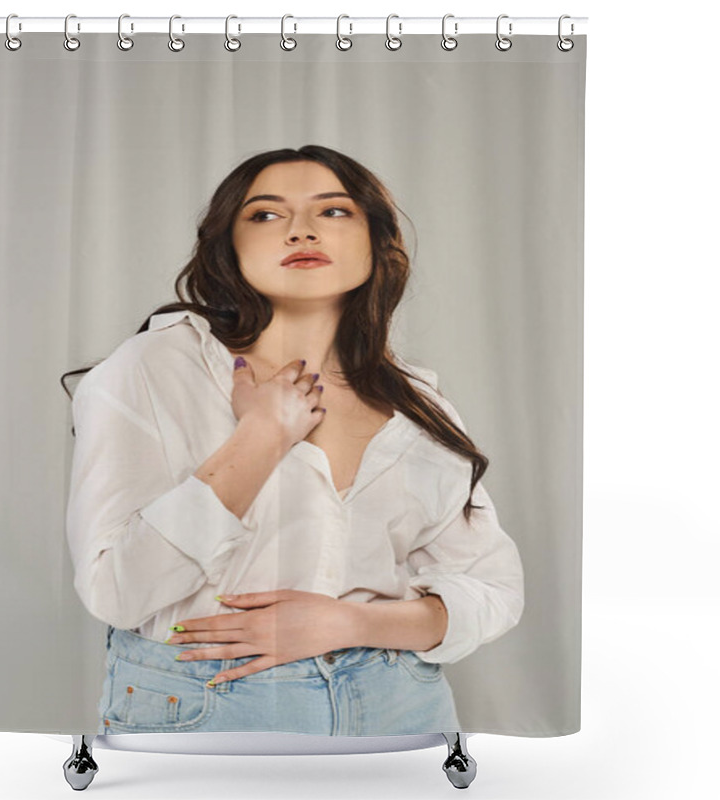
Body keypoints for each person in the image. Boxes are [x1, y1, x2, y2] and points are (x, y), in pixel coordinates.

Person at [61, 145, 524, 737]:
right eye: (266, 214)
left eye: (333, 212)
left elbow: (494, 588)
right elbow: (115, 591)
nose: (302, 230)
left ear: (375, 242)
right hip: (208, 705)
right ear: (228, 245)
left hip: (400, 703)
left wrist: (349, 624)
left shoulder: (418, 404)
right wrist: (261, 437)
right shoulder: (154, 369)